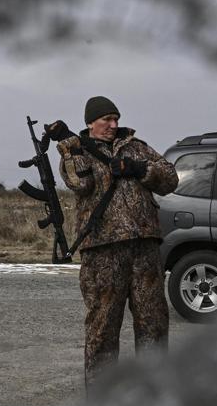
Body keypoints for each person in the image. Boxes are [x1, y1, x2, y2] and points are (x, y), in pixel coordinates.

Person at [45, 96, 179, 389]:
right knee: (102, 329)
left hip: (145, 248)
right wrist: (71, 148)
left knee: (154, 326)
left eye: (116, 119)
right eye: (106, 119)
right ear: (90, 122)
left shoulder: (136, 146)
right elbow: (80, 183)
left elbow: (171, 179)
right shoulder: (76, 149)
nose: (113, 124)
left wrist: (140, 168)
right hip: (102, 251)